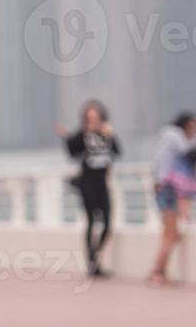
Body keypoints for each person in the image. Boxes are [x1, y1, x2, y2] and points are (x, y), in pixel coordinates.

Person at [56, 99, 121, 277]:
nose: (92, 118)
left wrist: (110, 135)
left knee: (107, 224)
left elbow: (117, 152)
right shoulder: (82, 134)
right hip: (87, 182)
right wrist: (67, 137)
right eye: (89, 116)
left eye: (95, 115)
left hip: (103, 182)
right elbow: (72, 153)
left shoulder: (107, 133)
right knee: (92, 222)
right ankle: (93, 264)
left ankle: (95, 257)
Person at [148, 111, 196, 285]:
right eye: (191, 126)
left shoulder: (167, 136)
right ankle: (156, 272)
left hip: (163, 186)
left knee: (171, 233)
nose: (193, 130)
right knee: (170, 234)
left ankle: (162, 272)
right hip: (168, 188)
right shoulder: (174, 135)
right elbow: (189, 153)